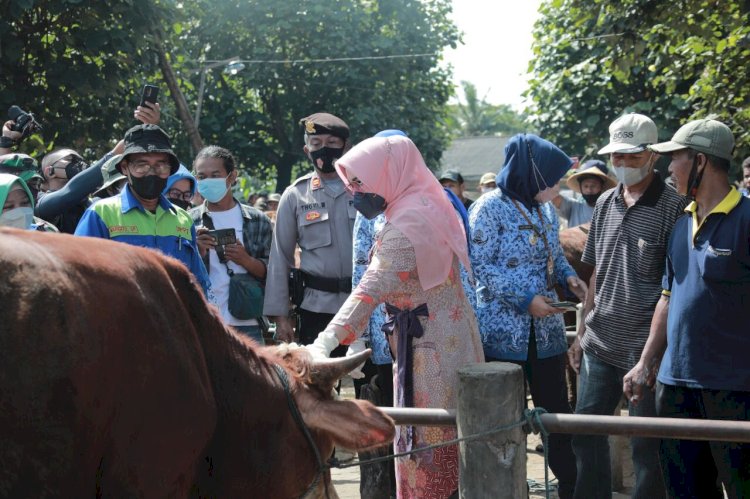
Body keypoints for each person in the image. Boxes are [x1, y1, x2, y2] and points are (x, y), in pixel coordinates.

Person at [308, 134, 484, 499]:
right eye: (351, 183)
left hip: (428, 354)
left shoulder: (406, 228)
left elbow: (369, 289)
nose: (354, 191)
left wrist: (325, 341)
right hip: (447, 337)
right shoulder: (426, 203)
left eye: (360, 181)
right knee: (454, 436)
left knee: (427, 441)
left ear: (388, 173)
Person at [624, 119, 750, 498]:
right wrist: (646, 362)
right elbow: (668, 295)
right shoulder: (681, 224)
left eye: (674, 157)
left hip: (734, 389)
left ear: (700, 161)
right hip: (675, 386)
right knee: (685, 492)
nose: (667, 168)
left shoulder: (747, 220)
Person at [568, 113, 687, 499]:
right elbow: (597, 269)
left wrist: (652, 356)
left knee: (646, 447)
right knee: (585, 434)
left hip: (646, 349)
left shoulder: (675, 208)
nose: (622, 164)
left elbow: (675, 287)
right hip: (600, 343)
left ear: (653, 155)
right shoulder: (604, 202)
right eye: (616, 157)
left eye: (631, 157)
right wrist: (582, 330)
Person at [468, 133, 586, 499]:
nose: (555, 186)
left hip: (546, 330)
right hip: (502, 335)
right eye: (550, 179)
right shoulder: (489, 207)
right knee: (503, 422)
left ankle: (569, 488)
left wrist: (570, 278)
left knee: (556, 418)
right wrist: (524, 299)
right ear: (531, 175)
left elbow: (554, 253)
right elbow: (479, 266)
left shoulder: (545, 209)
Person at [74, 124, 210, 294]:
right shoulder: (101, 214)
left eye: (161, 165)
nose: (151, 172)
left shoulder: (183, 218)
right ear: (125, 168)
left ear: (170, 169)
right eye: (142, 165)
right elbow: (79, 278)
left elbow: (197, 283)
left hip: (173, 319)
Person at [263, 112, 355, 352]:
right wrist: (281, 316)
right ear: (307, 150)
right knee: (316, 385)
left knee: (370, 383)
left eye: (332, 143)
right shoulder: (295, 195)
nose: (324, 150)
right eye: (316, 144)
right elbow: (280, 257)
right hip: (316, 308)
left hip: (364, 306)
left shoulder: (365, 190)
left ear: (347, 147)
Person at [190, 145, 272, 345]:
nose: (208, 181)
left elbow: (273, 273)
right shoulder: (187, 221)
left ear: (232, 176)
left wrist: (245, 260)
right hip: (203, 319)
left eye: (215, 175)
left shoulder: (256, 219)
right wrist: (198, 252)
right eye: (202, 177)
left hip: (248, 321)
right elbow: (180, 272)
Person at [552, 159, 616, 227]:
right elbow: (554, 197)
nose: (589, 190)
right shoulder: (573, 207)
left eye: (593, 186)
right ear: (580, 187)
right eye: (585, 186)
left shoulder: (612, 212)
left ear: (602, 186)